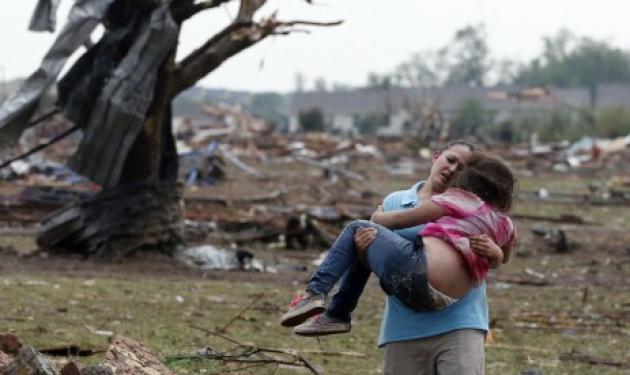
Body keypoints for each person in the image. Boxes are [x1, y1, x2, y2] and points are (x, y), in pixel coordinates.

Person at [286, 140, 506, 375]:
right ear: (436, 156)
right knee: (360, 234)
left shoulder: (476, 208)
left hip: (460, 324)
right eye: (450, 160)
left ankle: (324, 303)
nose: (452, 169)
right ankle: (333, 312)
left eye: (461, 168)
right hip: (405, 328)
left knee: (357, 228)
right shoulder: (396, 201)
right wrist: (362, 249)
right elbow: (381, 260)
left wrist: (497, 253)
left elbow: (499, 253)